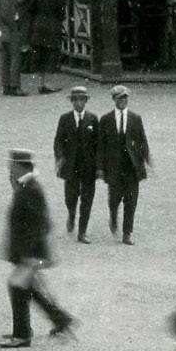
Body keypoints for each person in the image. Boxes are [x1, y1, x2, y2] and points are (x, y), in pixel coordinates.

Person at [0, 147, 76, 348]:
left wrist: (28, 255)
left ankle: (22, 335)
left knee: (17, 286)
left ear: (20, 166)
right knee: (29, 288)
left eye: (12, 166)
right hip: (30, 251)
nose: (10, 169)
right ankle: (61, 320)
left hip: (31, 252)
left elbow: (40, 225)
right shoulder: (26, 185)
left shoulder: (30, 189)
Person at [96, 83, 152, 244]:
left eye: (125, 98)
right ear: (114, 99)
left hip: (131, 167)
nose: (123, 101)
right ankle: (113, 217)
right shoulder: (105, 120)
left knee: (131, 200)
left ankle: (127, 233)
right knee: (114, 199)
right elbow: (100, 145)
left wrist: (147, 161)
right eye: (119, 98)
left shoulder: (135, 118)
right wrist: (99, 167)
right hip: (113, 167)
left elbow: (142, 141)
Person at [52, 84, 101, 242]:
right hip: (71, 165)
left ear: (86, 101)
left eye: (81, 100)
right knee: (70, 197)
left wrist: (99, 166)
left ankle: (82, 232)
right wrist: (60, 157)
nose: (78, 103)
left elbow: (99, 144)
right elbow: (58, 141)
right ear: (71, 102)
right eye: (75, 100)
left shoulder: (93, 118)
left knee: (87, 199)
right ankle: (72, 213)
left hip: (88, 166)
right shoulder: (65, 119)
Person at [25, 0, 67, 94]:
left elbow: (30, 9)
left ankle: (41, 83)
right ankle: (47, 84)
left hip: (38, 26)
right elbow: (61, 15)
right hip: (52, 27)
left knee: (40, 54)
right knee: (50, 55)